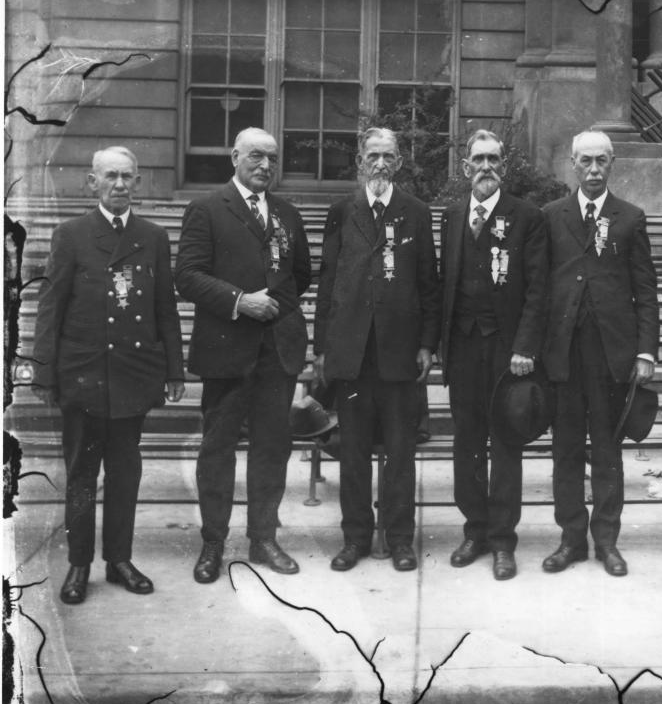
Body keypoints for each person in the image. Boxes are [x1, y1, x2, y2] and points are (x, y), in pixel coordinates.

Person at [32, 146, 185, 604]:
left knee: (125, 472)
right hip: (83, 375)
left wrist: (174, 369)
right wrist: (44, 373)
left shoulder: (153, 236)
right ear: (92, 182)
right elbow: (50, 307)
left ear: (137, 182)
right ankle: (79, 564)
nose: (120, 185)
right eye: (111, 176)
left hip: (133, 375)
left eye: (127, 177)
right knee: (82, 474)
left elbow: (165, 308)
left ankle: (119, 560)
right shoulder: (72, 234)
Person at [175, 127, 311, 583]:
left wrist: (277, 313)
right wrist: (240, 300)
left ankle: (263, 538)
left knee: (273, 448)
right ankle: (213, 543)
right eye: (256, 156)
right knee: (217, 450)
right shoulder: (208, 209)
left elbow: (302, 276)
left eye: (272, 159)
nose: (265, 166)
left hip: (278, 352)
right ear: (234, 156)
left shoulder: (288, 214)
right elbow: (188, 276)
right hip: (226, 351)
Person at [313, 127, 441, 572]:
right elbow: (328, 283)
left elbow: (429, 285)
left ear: (400, 162)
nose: (381, 163)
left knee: (401, 454)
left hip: (400, 355)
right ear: (360, 161)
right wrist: (322, 348)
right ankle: (355, 539)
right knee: (352, 453)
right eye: (373, 156)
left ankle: (401, 539)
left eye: (389, 156)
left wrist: (428, 344)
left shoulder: (416, 212)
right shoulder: (342, 211)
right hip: (351, 353)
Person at [539, 130, 658, 577]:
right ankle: (571, 539)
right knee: (566, 450)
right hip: (564, 354)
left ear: (613, 165)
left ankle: (607, 541)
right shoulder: (551, 216)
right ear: (572, 164)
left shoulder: (629, 218)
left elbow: (646, 292)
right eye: (585, 161)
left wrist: (646, 351)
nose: (593, 170)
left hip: (613, 356)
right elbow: (538, 287)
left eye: (601, 162)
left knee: (607, 450)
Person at [439, 129, 548, 580]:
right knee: (466, 442)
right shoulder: (452, 215)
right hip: (463, 346)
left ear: (504, 166)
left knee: (505, 443)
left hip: (507, 351)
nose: (486, 167)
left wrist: (525, 347)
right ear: (465, 167)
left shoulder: (526, 217)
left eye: (494, 159)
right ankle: (475, 530)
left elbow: (539, 290)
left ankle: (503, 539)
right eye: (478, 159)